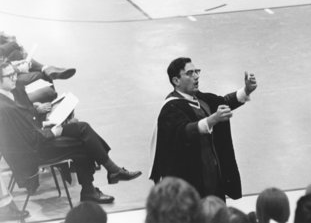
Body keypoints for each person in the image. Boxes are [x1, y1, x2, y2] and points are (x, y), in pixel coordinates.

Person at [0, 62, 142, 204]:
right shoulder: (5, 108)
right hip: (34, 151)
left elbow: (25, 127)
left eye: (15, 73)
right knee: (82, 144)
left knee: (82, 128)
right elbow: (27, 140)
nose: (14, 78)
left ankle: (107, 175)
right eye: (9, 75)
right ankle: (99, 182)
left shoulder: (10, 94)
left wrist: (43, 120)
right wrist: (53, 132)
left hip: (38, 136)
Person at [149, 57, 257, 201]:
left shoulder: (200, 99)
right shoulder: (170, 108)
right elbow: (184, 132)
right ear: (176, 81)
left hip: (213, 176)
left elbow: (223, 102)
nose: (196, 76)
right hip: (190, 180)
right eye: (189, 73)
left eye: (196, 72)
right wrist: (212, 120)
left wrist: (246, 90)